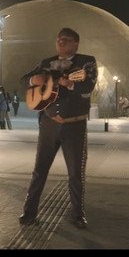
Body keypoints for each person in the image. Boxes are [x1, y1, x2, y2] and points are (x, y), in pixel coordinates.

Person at [19, 27, 97, 229]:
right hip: (49, 123)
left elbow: (88, 85)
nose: (61, 42)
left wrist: (69, 84)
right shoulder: (46, 62)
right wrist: (32, 80)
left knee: (76, 173)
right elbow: (24, 80)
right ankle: (29, 211)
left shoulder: (86, 62)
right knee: (39, 170)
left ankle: (78, 214)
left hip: (75, 125)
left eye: (66, 40)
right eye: (59, 39)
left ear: (76, 44)